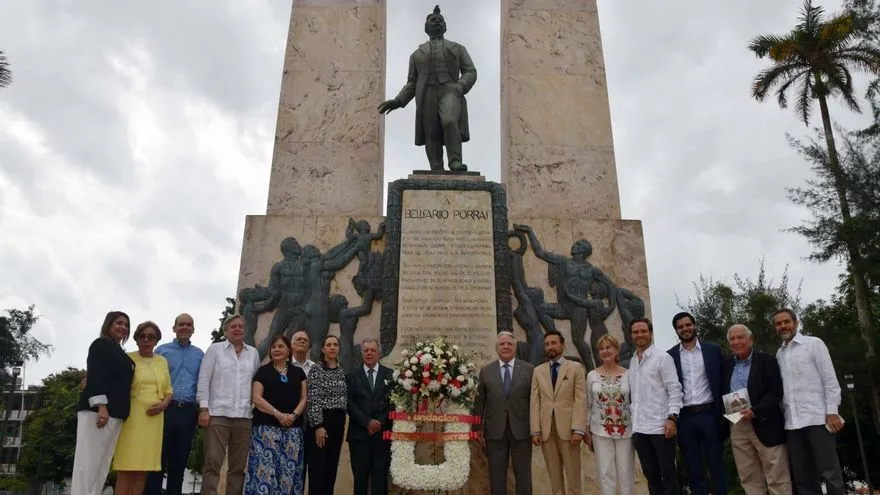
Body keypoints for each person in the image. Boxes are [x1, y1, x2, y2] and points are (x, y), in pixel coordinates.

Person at [378, 4, 477, 172]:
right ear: (426, 27)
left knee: (449, 121)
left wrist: (460, 86)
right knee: (431, 131)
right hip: (426, 94)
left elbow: (470, 71)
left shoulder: (458, 48)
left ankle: (455, 162)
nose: (437, 21)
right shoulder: (416, 55)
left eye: (440, 20)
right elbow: (412, 83)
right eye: (433, 20)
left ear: (445, 27)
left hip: (450, 89)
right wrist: (398, 100)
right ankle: (436, 167)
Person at [774, 308, 845, 495]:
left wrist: (832, 411)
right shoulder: (779, 354)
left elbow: (829, 379)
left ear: (796, 322)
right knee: (803, 477)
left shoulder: (813, 344)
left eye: (786, 322)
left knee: (830, 472)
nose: (783, 326)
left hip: (818, 419)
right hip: (792, 424)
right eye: (778, 323)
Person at [72, 311, 135, 495]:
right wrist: (101, 406)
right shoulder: (101, 345)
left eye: (126, 325)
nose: (123, 327)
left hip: (116, 413)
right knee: (88, 463)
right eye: (119, 323)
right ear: (108, 324)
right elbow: (96, 375)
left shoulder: (120, 352)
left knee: (102, 464)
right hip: (98, 412)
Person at [197, 314, 261, 495]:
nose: (238, 329)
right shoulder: (215, 350)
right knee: (212, 465)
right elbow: (204, 380)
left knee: (238, 469)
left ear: (245, 330)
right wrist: (204, 408)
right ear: (226, 330)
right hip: (218, 415)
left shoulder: (253, 353)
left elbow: (255, 384)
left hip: (244, 417)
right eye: (233, 326)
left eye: (241, 326)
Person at [723, 324, 790, 495]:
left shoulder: (767, 361)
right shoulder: (726, 364)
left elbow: (776, 392)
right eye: (732, 338)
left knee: (777, 476)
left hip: (765, 423)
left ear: (750, 339)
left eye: (740, 337)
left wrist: (756, 411)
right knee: (749, 478)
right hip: (737, 425)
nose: (736, 342)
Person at [666, 312, 727, 495]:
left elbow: (723, 380)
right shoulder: (670, 356)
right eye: (680, 327)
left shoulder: (713, 350)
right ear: (676, 330)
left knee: (716, 465)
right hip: (685, 418)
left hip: (710, 415)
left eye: (687, 325)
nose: (685, 329)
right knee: (693, 469)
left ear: (694, 325)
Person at [145, 314, 204, 495]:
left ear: (193, 329)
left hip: (188, 412)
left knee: (179, 461)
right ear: (174, 328)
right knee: (157, 459)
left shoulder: (200, 354)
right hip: (165, 410)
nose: (185, 327)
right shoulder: (161, 351)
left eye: (189, 325)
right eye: (181, 324)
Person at [112, 321, 173, 495]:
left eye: (151, 337)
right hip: (131, 418)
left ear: (156, 340)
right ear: (136, 339)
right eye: (142, 336)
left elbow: (169, 390)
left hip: (153, 421)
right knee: (126, 466)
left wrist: (164, 404)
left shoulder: (162, 361)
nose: (146, 340)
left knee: (143, 467)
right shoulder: (126, 358)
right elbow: (111, 381)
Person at [245, 334, 308, 495]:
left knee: (288, 475)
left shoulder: (299, 372)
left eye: (281, 346)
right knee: (265, 475)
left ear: (289, 351)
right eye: (274, 347)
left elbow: (304, 398)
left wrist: (293, 415)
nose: (277, 350)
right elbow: (256, 398)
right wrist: (278, 414)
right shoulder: (263, 371)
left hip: (293, 431)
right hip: (265, 431)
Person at [474, 332, 535, 495]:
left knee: (523, 475)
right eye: (502, 344)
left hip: (522, 431)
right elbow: (479, 402)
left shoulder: (529, 370)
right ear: (497, 348)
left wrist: (537, 428)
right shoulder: (486, 371)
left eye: (510, 344)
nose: (506, 347)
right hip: (494, 431)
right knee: (496, 475)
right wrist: (477, 427)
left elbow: (536, 402)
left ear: (515, 347)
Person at [628, 317, 682, 495]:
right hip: (640, 429)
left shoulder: (662, 358)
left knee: (668, 474)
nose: (640, 335)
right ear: (631, 335)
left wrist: (672, 418)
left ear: (650, 333)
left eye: (643, 331)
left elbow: (674, 389)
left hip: (661, 428)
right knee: (650, 475)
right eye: (636, 332)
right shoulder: (633, 361)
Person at [530, 330, 587, 495]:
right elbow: (535, 402)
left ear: (562, 345)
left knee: (573, 478)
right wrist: (535, 430)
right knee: (555, 480)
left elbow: (580, 400)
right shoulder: (538, 371)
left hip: (569, 431)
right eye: (547, 344)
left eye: (553, 343)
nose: (550, 347)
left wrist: (579, 429)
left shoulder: (575, 368)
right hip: (547, 432)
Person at [585, 334, 634, 495]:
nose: (605, 351)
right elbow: (588, 404)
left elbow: (634, 401)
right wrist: (587, 430)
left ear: (616, 350)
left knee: (626, 473)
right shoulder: (592, 375)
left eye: (608, 347)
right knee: (606, 473)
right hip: (600, 430)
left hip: (626, 430)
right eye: (602, 348)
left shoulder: (629, 374)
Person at [346, 337, 393, 495]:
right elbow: (349, 403)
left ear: (379, 352)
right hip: (359, 436)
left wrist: (379, 422)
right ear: (362, 354)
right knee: (360, 481)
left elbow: (394, 403)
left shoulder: (391, 375)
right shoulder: (352, 376)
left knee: (380, 480)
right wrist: (367, 422)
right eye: (366, 350)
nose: (369, 353)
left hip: (382, 436)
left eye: (373, 350)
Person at [307, 334, 348, 494]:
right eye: (329, 345)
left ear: (338, 349)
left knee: (331, 469)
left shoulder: (340, 371)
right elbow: (313, 398)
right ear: (323, 349)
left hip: (338, 422)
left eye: (335, 345)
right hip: (322, 422)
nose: (332, 347)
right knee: (318, 470)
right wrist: (318, 426)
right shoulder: (316, 369)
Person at [290, 330, 317, 485]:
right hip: (290, 423)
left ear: (309, 346)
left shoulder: (315, 368)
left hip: (311, 425)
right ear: (292, 344)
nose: (302, 341)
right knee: (291, 469)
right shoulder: (284, 366)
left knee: (310, 469)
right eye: (298, 339)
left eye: (305, 340)